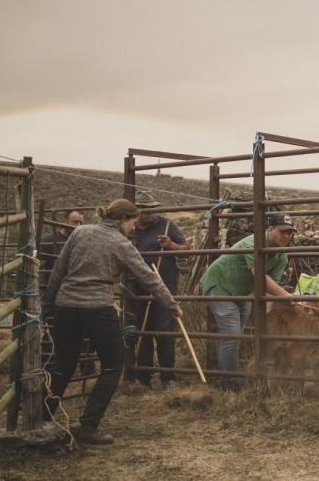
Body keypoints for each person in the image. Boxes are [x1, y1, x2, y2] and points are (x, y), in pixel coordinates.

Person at [41, 199, 181, 445]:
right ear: (121, 220)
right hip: (97, 308)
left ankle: (42, 418)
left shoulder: (80, 232)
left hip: (66, 305)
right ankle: (88, 426)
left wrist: (48, 305)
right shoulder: (121, 244)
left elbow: (58, 271)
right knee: (112, 365)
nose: (133, 228)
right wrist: (172, 305)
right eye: (132, 223)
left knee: (63, 364)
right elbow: (150, 278)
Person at [200, 214, 297, 391]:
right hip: (219, 285)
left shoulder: (281, 255)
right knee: (233, 335)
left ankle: (232, 376)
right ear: (270, 229)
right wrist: (287, 297)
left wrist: (267, 313)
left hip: (242, 292)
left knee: (238, 336)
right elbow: (259, 276)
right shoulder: (252, 244)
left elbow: (268, 289)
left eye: (290, 233)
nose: (287, 237)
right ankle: (230, 384)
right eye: (283, 232)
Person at [127, 191, 191, 389]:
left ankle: (168, 377)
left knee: (164, 330)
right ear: (136, 212)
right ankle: (143, 378)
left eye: (153, 210)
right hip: (136, 286)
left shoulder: (166, 224)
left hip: (165, 283)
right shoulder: (129, 229)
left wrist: (170, 245)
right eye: (146, 211)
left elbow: (186, 248)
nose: (151, 214)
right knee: (142, 331)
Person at [39, 210, 85, 276]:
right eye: (75, 222)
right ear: (65, 221)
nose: (78, 225)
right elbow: (39, 265)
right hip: (56, 282)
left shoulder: (82, 239)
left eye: (81, 223)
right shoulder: (50, 239)